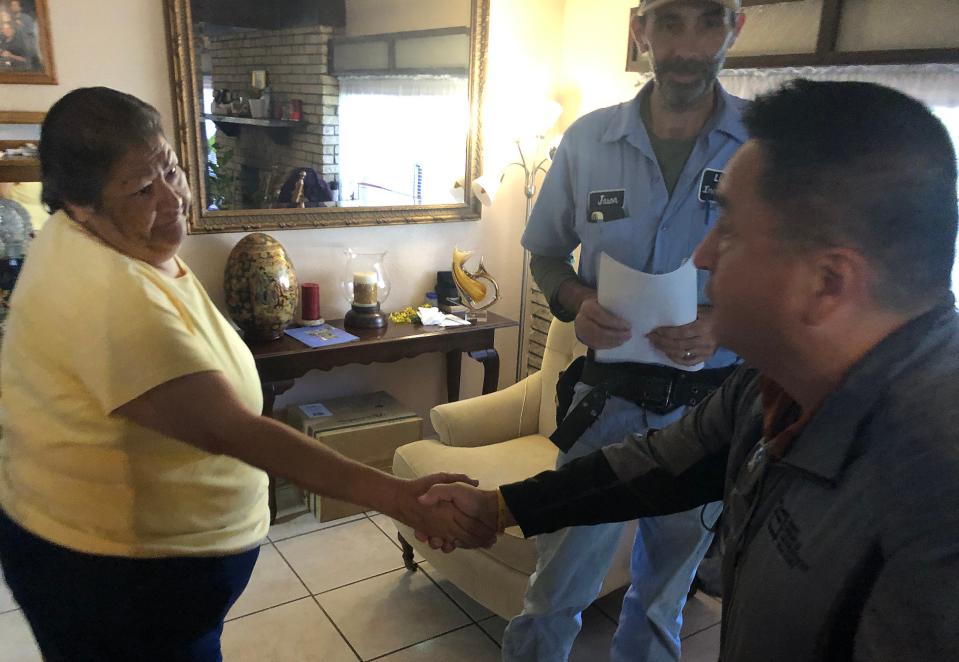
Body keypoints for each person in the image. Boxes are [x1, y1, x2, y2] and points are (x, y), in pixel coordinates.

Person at [421, 79, 959, 660]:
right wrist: (501, 506)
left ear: (827, 283)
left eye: (728, 230)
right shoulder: (770, 387)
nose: (700, 256)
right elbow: (658, 465)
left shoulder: (935, 490)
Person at [0, 87, 494, 661]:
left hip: (134, 567)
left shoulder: (99, 240)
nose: (172, 197)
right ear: (80, 204)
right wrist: (400, 498)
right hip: (120, 579)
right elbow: (234, 432)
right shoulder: (108, 298)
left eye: (172, 169)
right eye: (141, 188)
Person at [504, 0, 746, 659]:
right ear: (639, 28)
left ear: (735, 27)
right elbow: (546, 253)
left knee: (659, 605)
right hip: (602, 403)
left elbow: (792, 276)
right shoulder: (587, 139)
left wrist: (721, 322)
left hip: (706, 411)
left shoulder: (765, 147)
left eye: (708, 20)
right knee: (552, 595)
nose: (687, 45)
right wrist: (574, 299)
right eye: (668, 21)